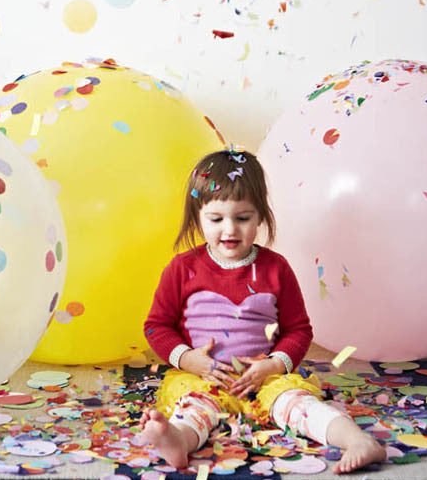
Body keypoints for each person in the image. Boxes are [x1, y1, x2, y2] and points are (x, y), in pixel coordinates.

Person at [140, 149, 386, 475]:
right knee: (194, 408)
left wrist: (272, 365)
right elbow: (157, 326)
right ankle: (177, 440)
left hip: (263, 379)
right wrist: (188, 360)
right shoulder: (183, 268)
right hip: (203, 378)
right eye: (216, 219)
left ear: (260, 216)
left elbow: (298, 330)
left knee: (299, 404)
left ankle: (357, 441)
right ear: (198, 216)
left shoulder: (276, 268)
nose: (230, 229)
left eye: (242, 218)